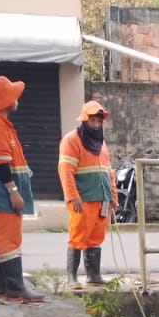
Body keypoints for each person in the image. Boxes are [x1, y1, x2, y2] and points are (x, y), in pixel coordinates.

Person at [0, 75, 43, 303]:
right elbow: (1, 162)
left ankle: (0, 286)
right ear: (6, 101)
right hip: (1, 193)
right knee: (9, 239)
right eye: (14, 96)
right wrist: (13, 191)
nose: (17, 99)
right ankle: (15, 288)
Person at [57, 100, 117, 288]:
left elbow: (109, 172)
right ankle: (72, 278)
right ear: (85, 119)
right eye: (93, 120)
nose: (97, 123)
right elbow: (66, 170)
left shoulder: (101, 143)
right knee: (78, 236)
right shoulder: (71, 140)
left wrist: (113, 197)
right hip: (82, 199)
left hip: (102, 198)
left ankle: (93, 275)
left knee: (95, 237)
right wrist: (73, 196)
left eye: (100, 120)